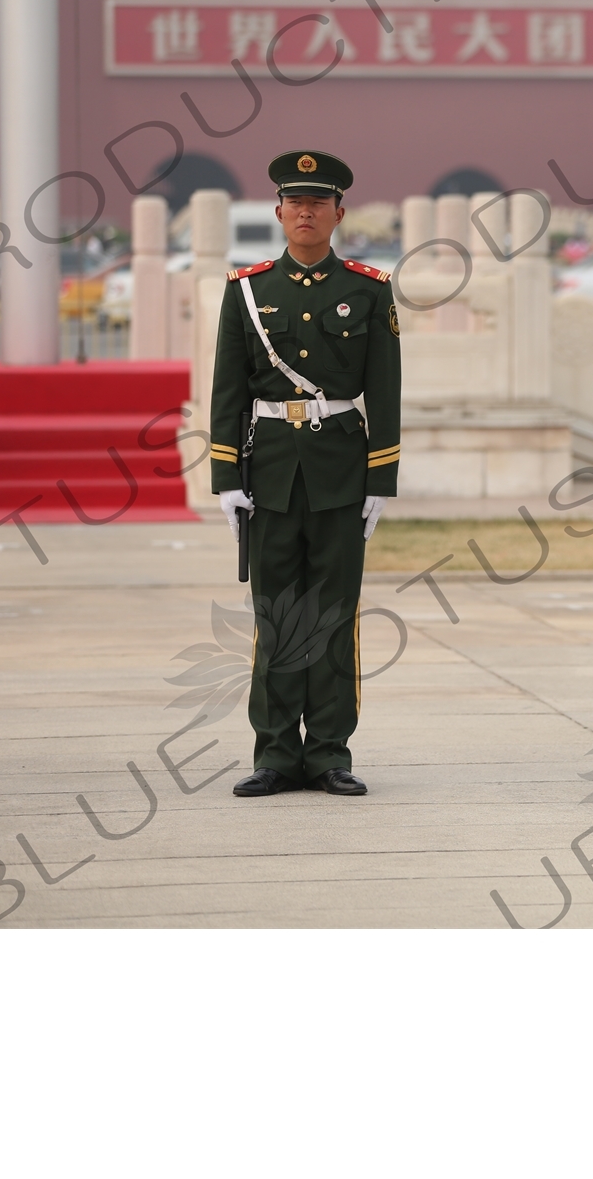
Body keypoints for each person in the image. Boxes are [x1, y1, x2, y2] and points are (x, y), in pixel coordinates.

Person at [210, 151, 401, 798]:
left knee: (333, 614)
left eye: (319, 203)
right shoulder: (247, 289)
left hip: (342, 471)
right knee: (275, 613)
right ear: (278, 212)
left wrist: (381, 480)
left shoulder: (368, 290)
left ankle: (327, 753)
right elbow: (227, 391)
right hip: (269, 471)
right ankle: (274, 754)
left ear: (339, 213)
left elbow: (385, 389)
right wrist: (226, 476)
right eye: (296, 203)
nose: (307, 212)